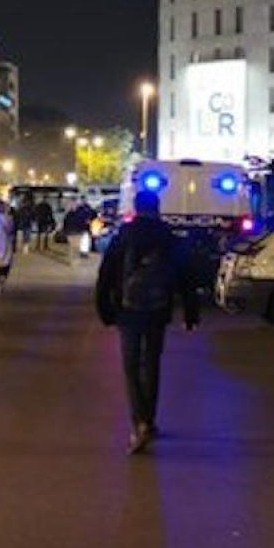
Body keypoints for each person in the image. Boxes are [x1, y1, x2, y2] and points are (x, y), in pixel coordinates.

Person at [95, 189, 200, 455]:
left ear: (136, 207)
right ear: (158, 207)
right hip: (157, 309)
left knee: (131, 366)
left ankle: (139, 421)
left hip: (127, 310)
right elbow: (185, 276)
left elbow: (106, 273)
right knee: (152, 364)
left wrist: (104, 309)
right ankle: (149, 420)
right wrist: (190, 313)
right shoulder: (167, 236)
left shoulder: (124, 235)